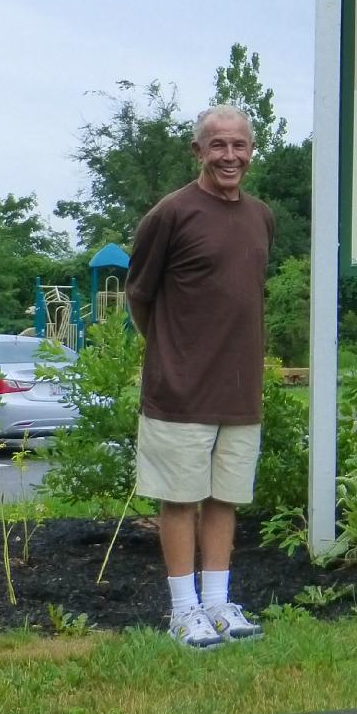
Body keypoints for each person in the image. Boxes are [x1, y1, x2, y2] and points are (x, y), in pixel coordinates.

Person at [125, 105, 274, 649]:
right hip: (180, 390)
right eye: (218, 146)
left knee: (224, 498)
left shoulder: (261, 216)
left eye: (238, 145)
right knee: (180, 498)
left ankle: (217, 605)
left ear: (251, 151)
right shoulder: (170, 214)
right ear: (198, 151)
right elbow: (139, 298)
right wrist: (173, 354)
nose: (229, 156)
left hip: (238, 390)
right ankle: (182, 610)